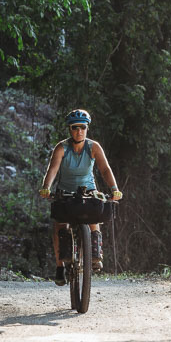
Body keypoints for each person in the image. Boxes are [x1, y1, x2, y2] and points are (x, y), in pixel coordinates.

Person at [39, 108, 122, 284]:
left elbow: (105, 169)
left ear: (87, 128)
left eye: (82, 127)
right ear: (70, 129)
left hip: (88, 190)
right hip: (65, 191)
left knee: (95, 216)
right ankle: (60, 266)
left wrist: (114, 188)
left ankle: (96, 254)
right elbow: (52, 170)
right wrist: (46, 187)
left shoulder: (93, 147)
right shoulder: (62, 148)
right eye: (75, 127)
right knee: (59, 226)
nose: (79, 131)